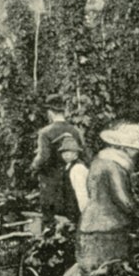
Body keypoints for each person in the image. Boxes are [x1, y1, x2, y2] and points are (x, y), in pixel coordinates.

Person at [73, 122, 139, 275]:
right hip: (110, 229)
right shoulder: (114, 165)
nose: (136, 154)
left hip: (89, 225)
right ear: (123, 148)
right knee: (113, 274)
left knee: (89, 275)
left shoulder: (98, 161)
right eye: (134, 149)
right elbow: (123, 199)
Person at [32, 95, 85, 224]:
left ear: (50, 112)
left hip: (50, 182)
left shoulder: (45, 132)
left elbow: (43, 157)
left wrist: (34, 166)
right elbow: (83, 153)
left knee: (51, 219)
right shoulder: (75, 131)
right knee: (70, 215)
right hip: (69, 179)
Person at [56, 133, 89, 224]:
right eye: (63, 153)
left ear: (76, 154)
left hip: (77, 210)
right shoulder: (68, 167)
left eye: (68, 152)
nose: (65, 155)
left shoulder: (78, 168)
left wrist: (85, 213)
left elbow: (81, 192)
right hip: (70, 210)